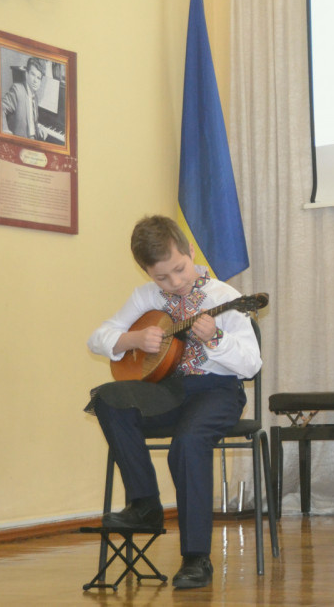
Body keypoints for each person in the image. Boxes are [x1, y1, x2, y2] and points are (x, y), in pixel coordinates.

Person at [85, 215, 261, 589]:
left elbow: (251, 364)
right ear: (148, 273)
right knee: (108, 399)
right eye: (162, 277)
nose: (175, 282)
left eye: (179, 270)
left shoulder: (224, 298)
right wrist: (133, 341)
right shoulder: (145, 297)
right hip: (168, 392)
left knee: (189, 441)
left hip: (217, 391)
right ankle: (145, 504)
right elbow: (98, 337)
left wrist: (215, 339)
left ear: (190, 252)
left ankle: (196, 557)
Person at [1, 57, 45, 140]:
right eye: (33, 75)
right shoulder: (17, 90)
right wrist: (5, 131)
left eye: (38, 78)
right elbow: (0, 108)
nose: (35, 80)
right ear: (26, 74)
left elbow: (32, 122)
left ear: (40, 82)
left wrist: (39, 128)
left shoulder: (35, 98)